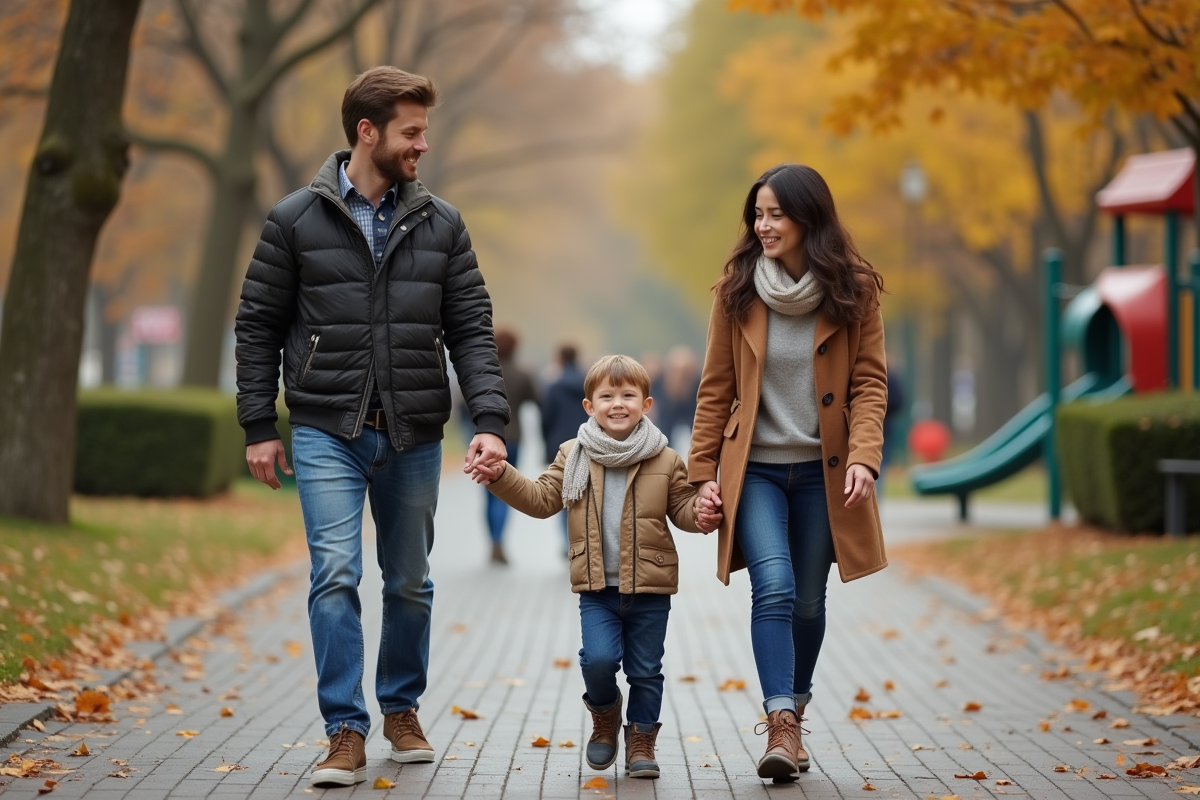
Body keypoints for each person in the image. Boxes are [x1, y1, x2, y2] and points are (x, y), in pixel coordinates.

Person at [235, 67, 510, 789]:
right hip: (326, 427)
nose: (423, 143)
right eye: (411, 131)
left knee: (411, 582)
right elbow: (258, 326)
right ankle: (345, 730)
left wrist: (489, 421)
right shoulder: (294, 219)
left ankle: (400, 708)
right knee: (335, 573)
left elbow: (472, 330)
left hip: (415, 431)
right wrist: (259, 424)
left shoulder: (442, 222)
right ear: (368, 132)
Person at [690, 164, 887, 783]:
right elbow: (715, 389)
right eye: (759, 213)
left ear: (809, 218)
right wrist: (702, 474)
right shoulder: (737, 291)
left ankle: (795, 707)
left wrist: (863, 455)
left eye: (776, 213)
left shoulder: (853, 289)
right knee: (772, 585)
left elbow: (869, 382)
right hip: (757, 473)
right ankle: (779, 723)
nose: (764, 225)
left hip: (823, 474)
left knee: (807, 600)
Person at [471, 355, 721, 780]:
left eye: (628, 395)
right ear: (590, 406)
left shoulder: (665, 458)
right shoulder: (573, 455)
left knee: (646, 670)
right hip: (597, 591)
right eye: (607, 396)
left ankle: (641, 739)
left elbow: (681, 507)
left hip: (650, 589)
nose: (617, 403)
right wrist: (501, 475)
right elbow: (541, 499)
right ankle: (605, 718)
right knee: (599, 661)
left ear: (647, 403)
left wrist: (702, 513)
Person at [485, 328, 540, 564]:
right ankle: (500, 539)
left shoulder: (486, 374)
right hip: (514, 438)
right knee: (507, 491)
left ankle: (494, 539)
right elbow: (537, 401)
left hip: (487, 438)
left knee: (488, 493)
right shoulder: (521, 374)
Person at [540, 344, 589, 548]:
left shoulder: (555, 386)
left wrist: (546, 445)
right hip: (587, 441)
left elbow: (546, 419)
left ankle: (568, 541)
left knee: (563, 493)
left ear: (560, 358)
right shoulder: (588, 384)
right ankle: (584, 538)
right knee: (585, 493)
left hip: (560, 444)